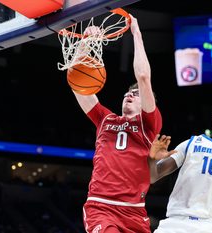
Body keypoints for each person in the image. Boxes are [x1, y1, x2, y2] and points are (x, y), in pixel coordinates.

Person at [71, 15, 174, 233]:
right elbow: (78, 84)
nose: (129, 95)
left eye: (135, 94)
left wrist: (137, 33)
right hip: (101, 206)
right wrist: (85, 44)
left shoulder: (149, 124)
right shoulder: (104, 118)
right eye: (127, 93)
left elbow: (144, 77)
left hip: (135, 211)